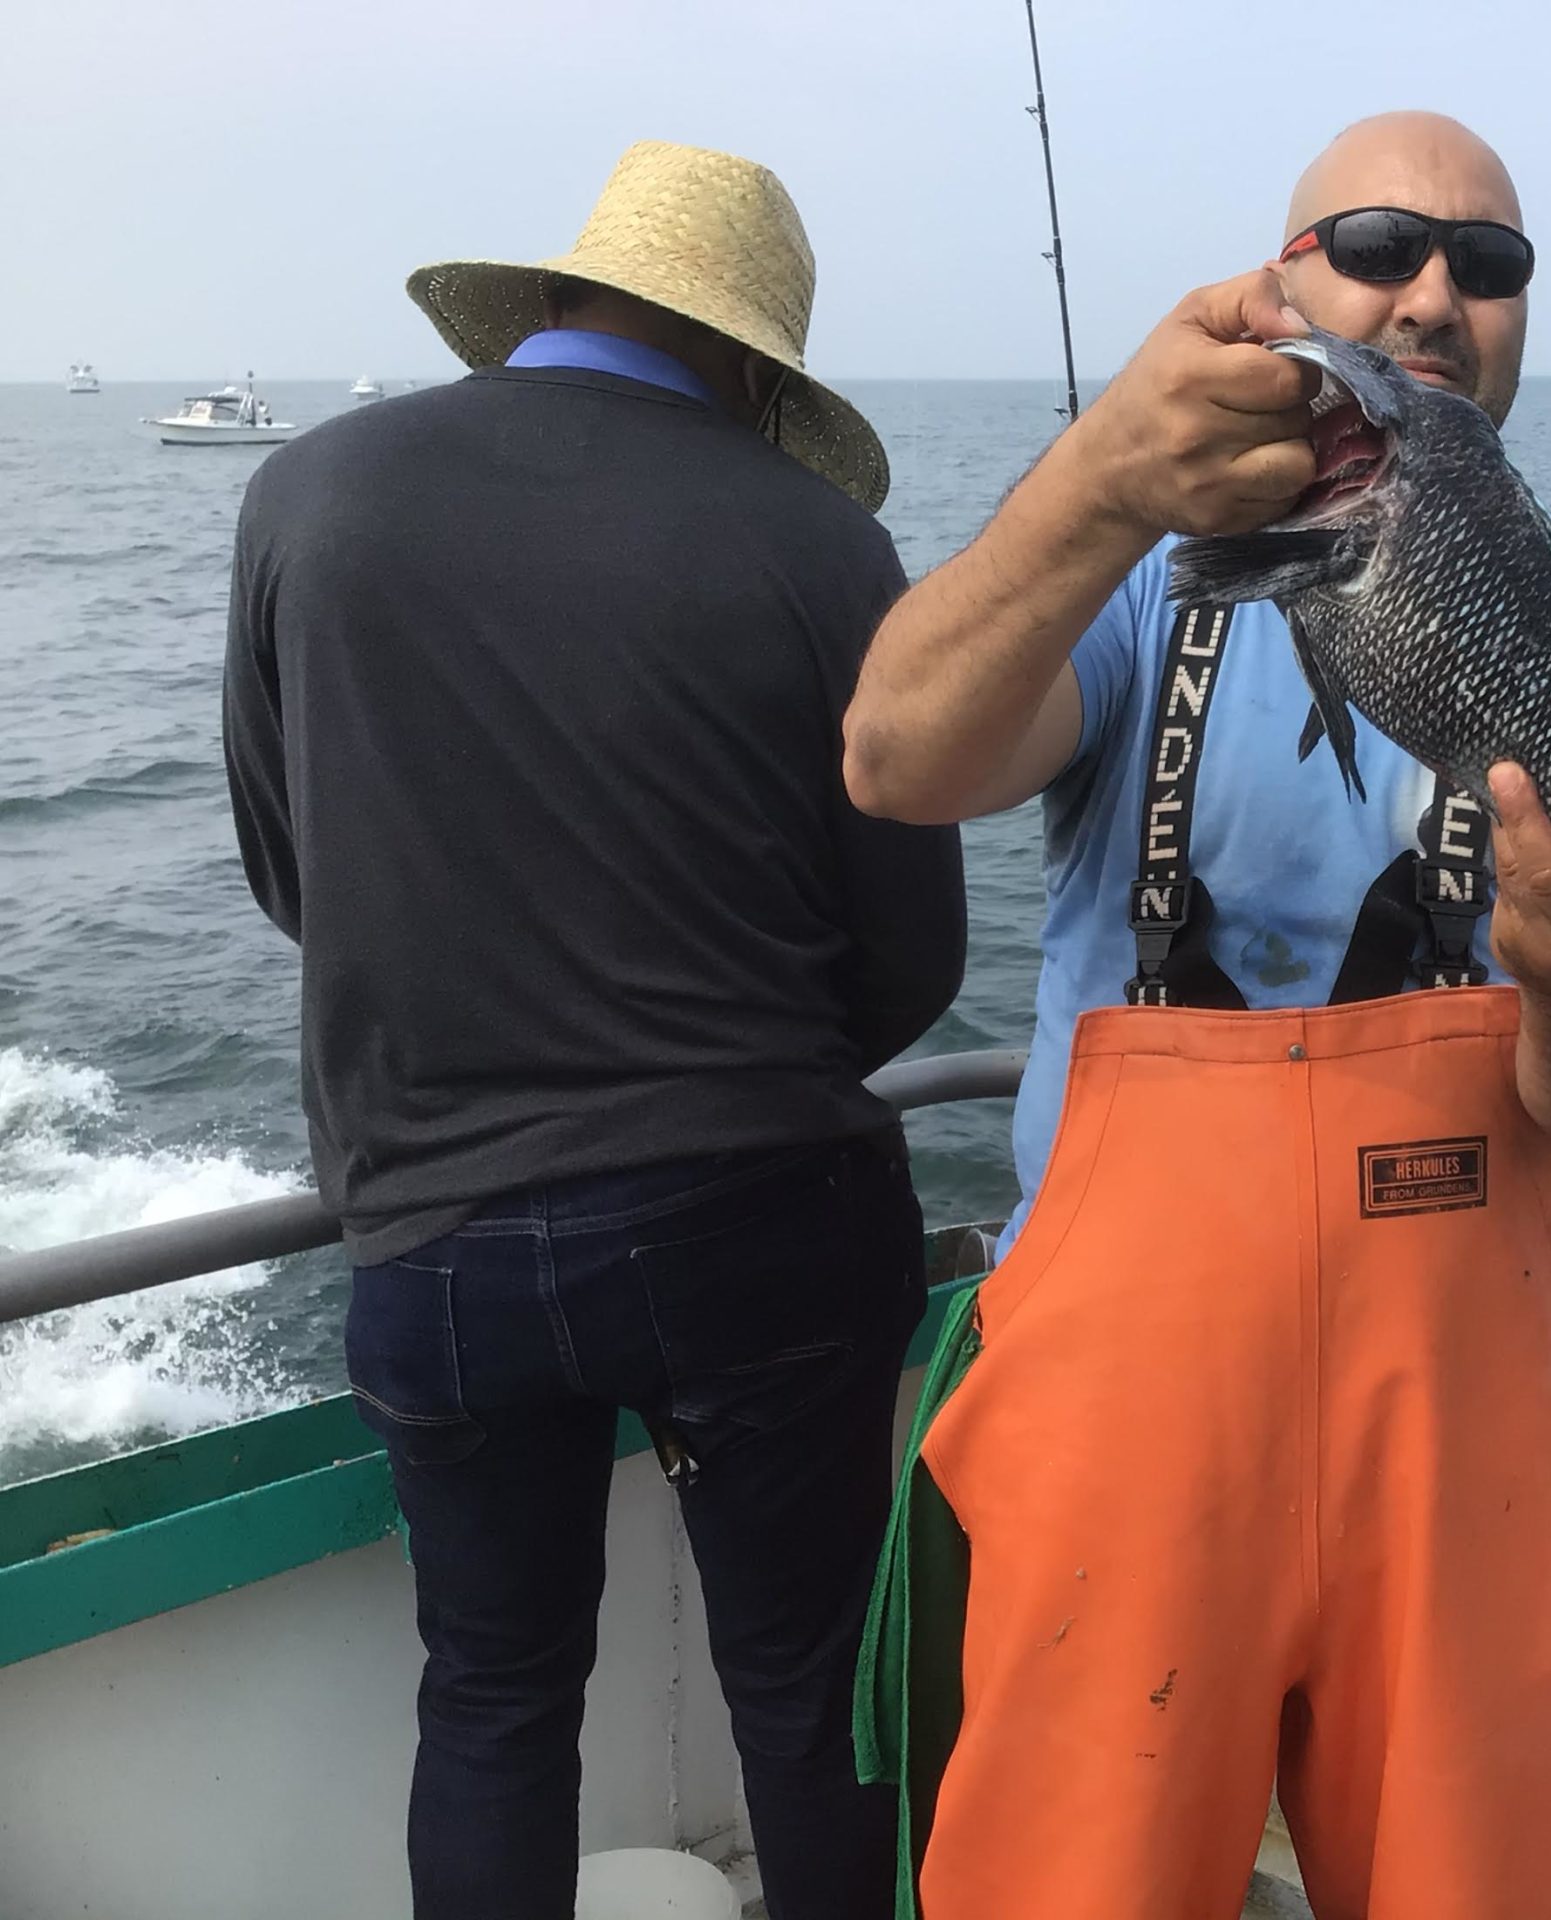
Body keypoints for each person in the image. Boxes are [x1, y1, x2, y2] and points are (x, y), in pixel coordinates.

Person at [843, 112, 1551, 1919]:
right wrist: (1103, 481)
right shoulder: (1140, 581)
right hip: (1126, 1414)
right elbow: (896, 758)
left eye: (1494, 263)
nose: (1437, 295)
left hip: (1465, 1428)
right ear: (1279, 285)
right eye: (1380, 242)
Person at [222, 140, 963, 1920]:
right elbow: (911, 962)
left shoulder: (309, 495)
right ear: (756, 362)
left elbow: (285, 868)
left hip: (437, 1233)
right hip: (766, 1223)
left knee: (490, 1698)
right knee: (805, 1700)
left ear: (551, 301)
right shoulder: (825, 543)